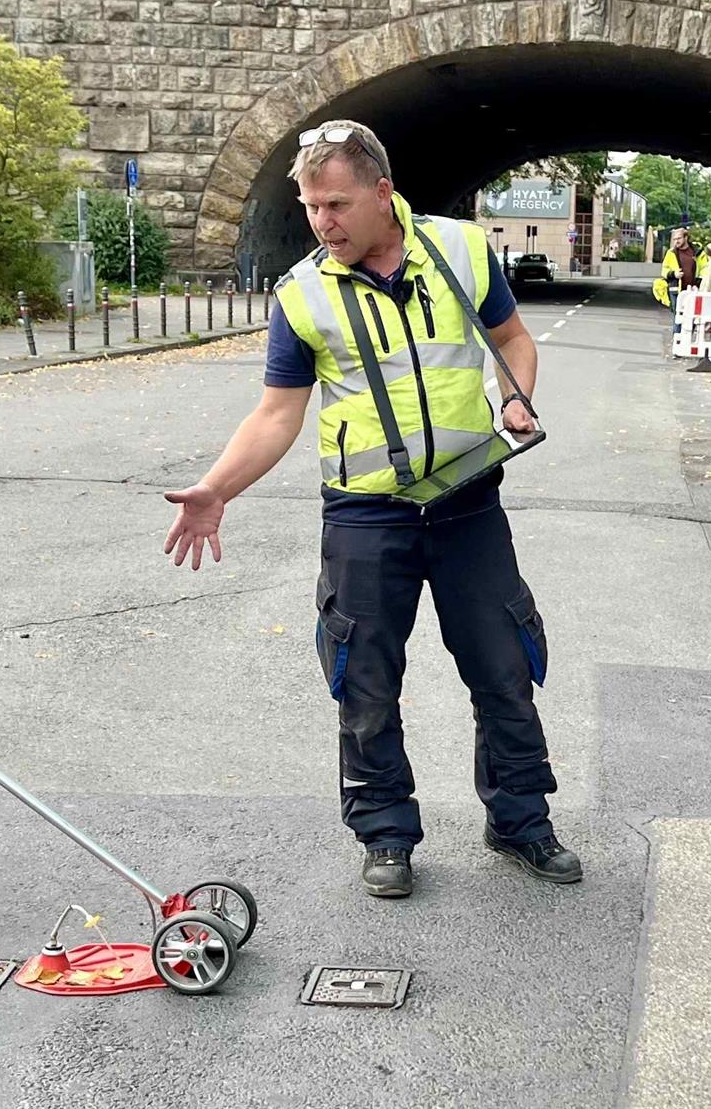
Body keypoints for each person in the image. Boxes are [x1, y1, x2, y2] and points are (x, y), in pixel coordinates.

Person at [161, 119, 579, 899]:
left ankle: (520, 820)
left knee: (504, 666)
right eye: (311, 206)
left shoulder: (460, 251)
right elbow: (277, 413)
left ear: (383, 194)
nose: (322, 222)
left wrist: (518, 394)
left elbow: (513, 338)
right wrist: (218, 488)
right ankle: (385, 832)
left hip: (467, 502)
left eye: (337, 204)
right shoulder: (303, 295)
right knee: (364, 682)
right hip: (365, 517)